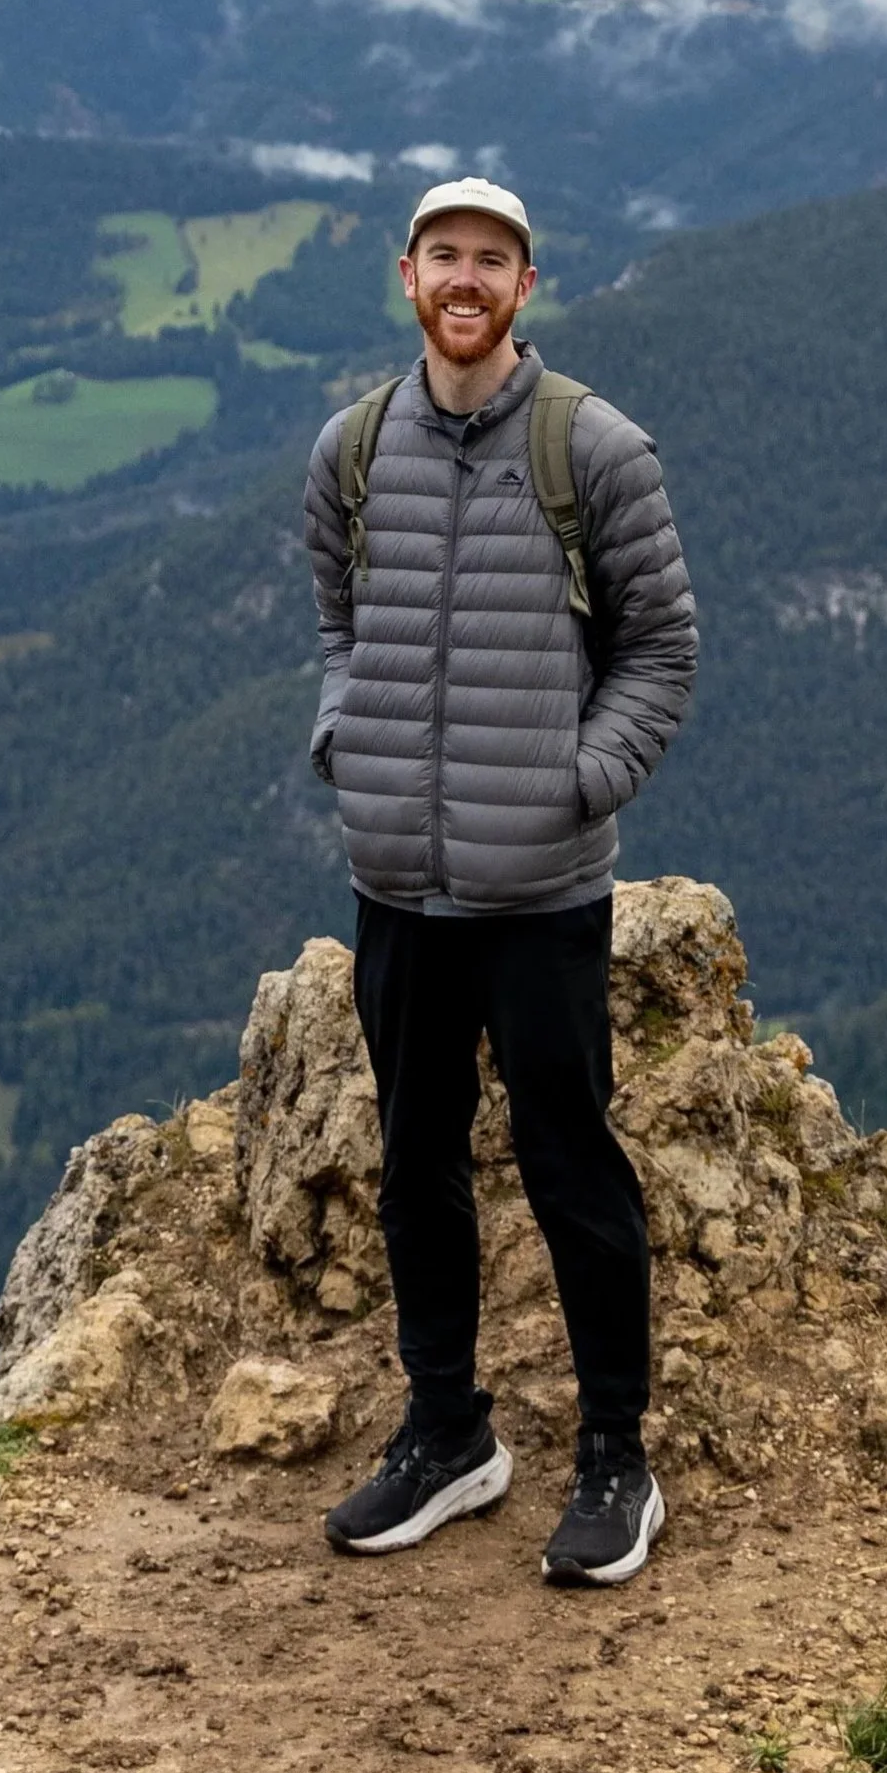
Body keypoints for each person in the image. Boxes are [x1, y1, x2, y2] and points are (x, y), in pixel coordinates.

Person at [302, 175, 698, 1584]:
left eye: (495, 262)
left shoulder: (592, 448)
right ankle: (449, 1432)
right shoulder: (353, 450)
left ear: (525, 288)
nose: (467, 282)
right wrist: (343, 733)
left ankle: (615, 1456)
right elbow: (339, 619)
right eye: (445, 257)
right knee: (414, 1163)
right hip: (400, 879)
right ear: (406, 274)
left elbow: (663, 650)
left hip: (543, 891)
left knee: (571, 1161)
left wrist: (575, 786)